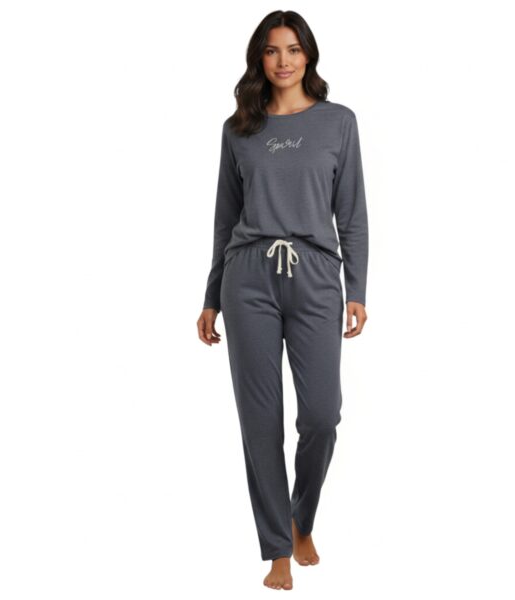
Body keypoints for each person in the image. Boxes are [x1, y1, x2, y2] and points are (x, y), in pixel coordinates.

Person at [197, 10, 369, 591]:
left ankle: (302, 519)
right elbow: (224, 219)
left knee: (322, 414)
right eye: (272, 51)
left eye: (293, 49)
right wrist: (211, 296)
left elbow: (352, 213)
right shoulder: (239, 128)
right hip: (247, 278)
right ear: (259, 58)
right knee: (260, 420)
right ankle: (276, 548)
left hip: (316, 275)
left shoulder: (338, 122)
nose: (283, 60)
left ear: (308, 55)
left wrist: (357, 289)